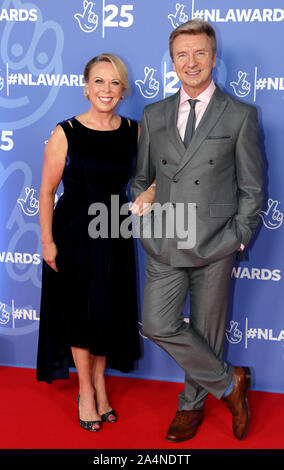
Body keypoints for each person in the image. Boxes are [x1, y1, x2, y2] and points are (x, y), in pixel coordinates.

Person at [131, 19, 263, 442]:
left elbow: (253, 187)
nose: (191, 62)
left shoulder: (241, 115)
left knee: (207, 331)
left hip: (215, 242)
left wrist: (238, 237)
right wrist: (145, 214)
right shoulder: (153, 115)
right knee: (156, 322)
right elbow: (141, 178)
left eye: (199, 53)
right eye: (182, 55)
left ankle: (190, 407)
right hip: (165, 240)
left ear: (213, 56)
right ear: (172, 61)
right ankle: (229, 383)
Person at [36, 53, 155, 431]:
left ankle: (101, 385)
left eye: (114, 82)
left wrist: (151, 190)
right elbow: (46, 192)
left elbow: (159, 174)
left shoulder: (134, 131)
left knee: (106, 312)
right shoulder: (65, 132)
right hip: (72, 234)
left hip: (114, 231)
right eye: (99, 82)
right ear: (86, 87)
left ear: (123, 90)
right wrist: (46, 242)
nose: (106, 89)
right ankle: (86, 391)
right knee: (80, 313)